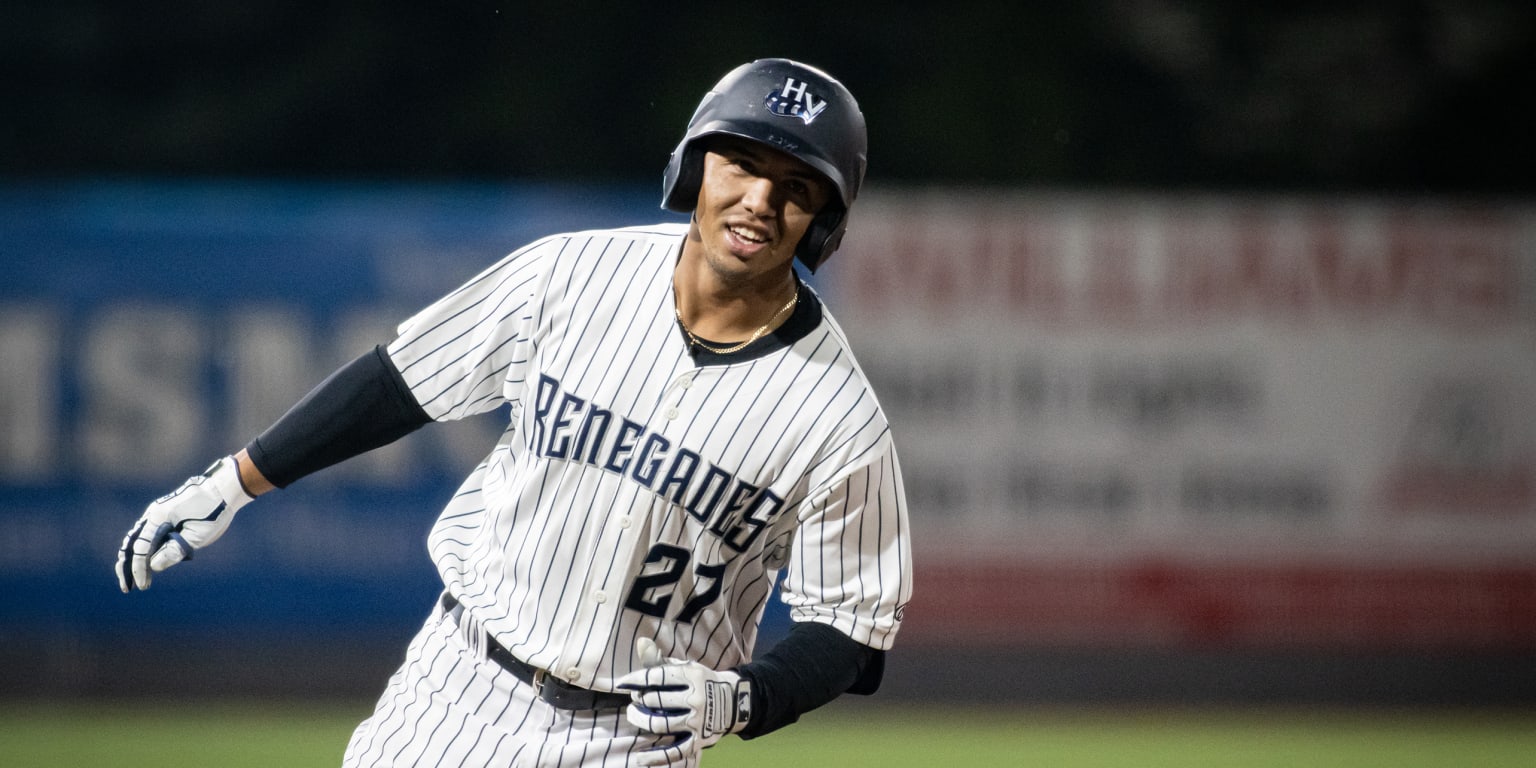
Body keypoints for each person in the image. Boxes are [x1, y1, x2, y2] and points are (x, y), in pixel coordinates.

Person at [116, 58, 912, 768]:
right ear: (697, 166)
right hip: (453, 692)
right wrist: (236, 481)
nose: (760, 201)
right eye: (742, 163)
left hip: (631, 741)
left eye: (797, 188)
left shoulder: (836, 418)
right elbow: (400, 382)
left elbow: (853, 627)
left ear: (824, 221)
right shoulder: (570, 275)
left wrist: (747, 696)